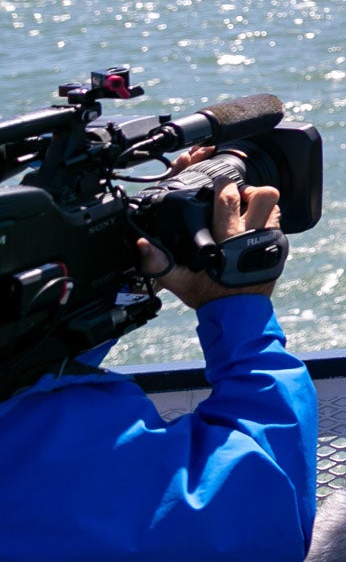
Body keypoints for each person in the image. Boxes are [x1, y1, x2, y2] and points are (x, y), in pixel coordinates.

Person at [0, 168, 316, 562]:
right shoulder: (49, 468)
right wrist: (240, 312)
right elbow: (268, 512)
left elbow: (24, 368)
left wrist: (135, 275)